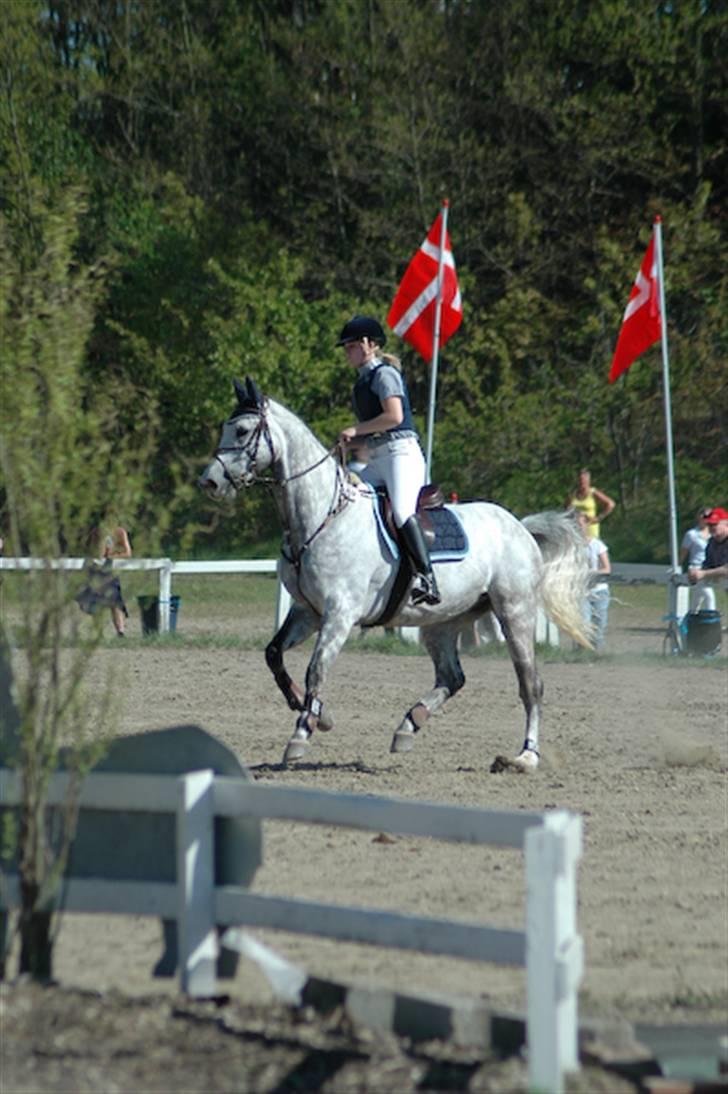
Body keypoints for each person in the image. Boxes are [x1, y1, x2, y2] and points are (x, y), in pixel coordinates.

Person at [336, 314, 439, 606]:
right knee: (348, 500)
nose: (348, 352)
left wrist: (356, 429)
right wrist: (349, 440)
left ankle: (427, 577)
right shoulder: (360, 384)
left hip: (401, 454)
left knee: (403, 511)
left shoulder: (384, 374)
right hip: (379, 457)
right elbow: (373, 431)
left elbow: (393, 417)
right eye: (346, 347)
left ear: (369, 345)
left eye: (352, 346)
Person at [78, 523, 132, 636]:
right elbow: (98, 554)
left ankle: (120, 632)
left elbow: (127, 553)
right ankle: (98, 631)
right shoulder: (97, 532)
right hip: (95, 569)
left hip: (110, 569)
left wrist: (112, 555)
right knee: (96, 600)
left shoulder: (120, 532)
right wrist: (103, 539)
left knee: (115, 600)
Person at [576, 510, 611, 651]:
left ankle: (597, 651)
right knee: (583, 621)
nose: (578, 528)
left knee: (599, 622)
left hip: (599, 589)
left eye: (580, 524)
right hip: (581, 590)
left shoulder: (597, 545)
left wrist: (590, 573)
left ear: (586, 525)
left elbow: (607, 568)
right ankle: (582, 650)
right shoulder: (573, 546)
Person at [680, 507, 716, 612]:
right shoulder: (691, 534)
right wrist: (678, 566)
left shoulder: (714, 534)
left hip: (709, 570)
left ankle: (690, 620)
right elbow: (683, 552)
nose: (706, 518)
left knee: (697, 599)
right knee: (709, 596)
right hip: (696, 568)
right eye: (704, 515)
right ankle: (712, 623)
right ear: (698, 517)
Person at [688, 507, 728, 598]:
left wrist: (703, 574)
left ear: (726, 524)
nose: (711, 527)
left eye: (715, 524)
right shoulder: (712, 543)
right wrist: (696, 573)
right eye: (709, 524)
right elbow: (708, 565)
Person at [565, 469, 615, 540]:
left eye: (584, 480)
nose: (582, 482)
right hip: (576, 528)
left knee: (593, 548)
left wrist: (598, 518)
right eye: (580, 480)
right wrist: (573, 514)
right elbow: (566, 509)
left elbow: (610, 504)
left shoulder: (593, 492)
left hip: (590, 527)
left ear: (588, 481)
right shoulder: (573, 494)